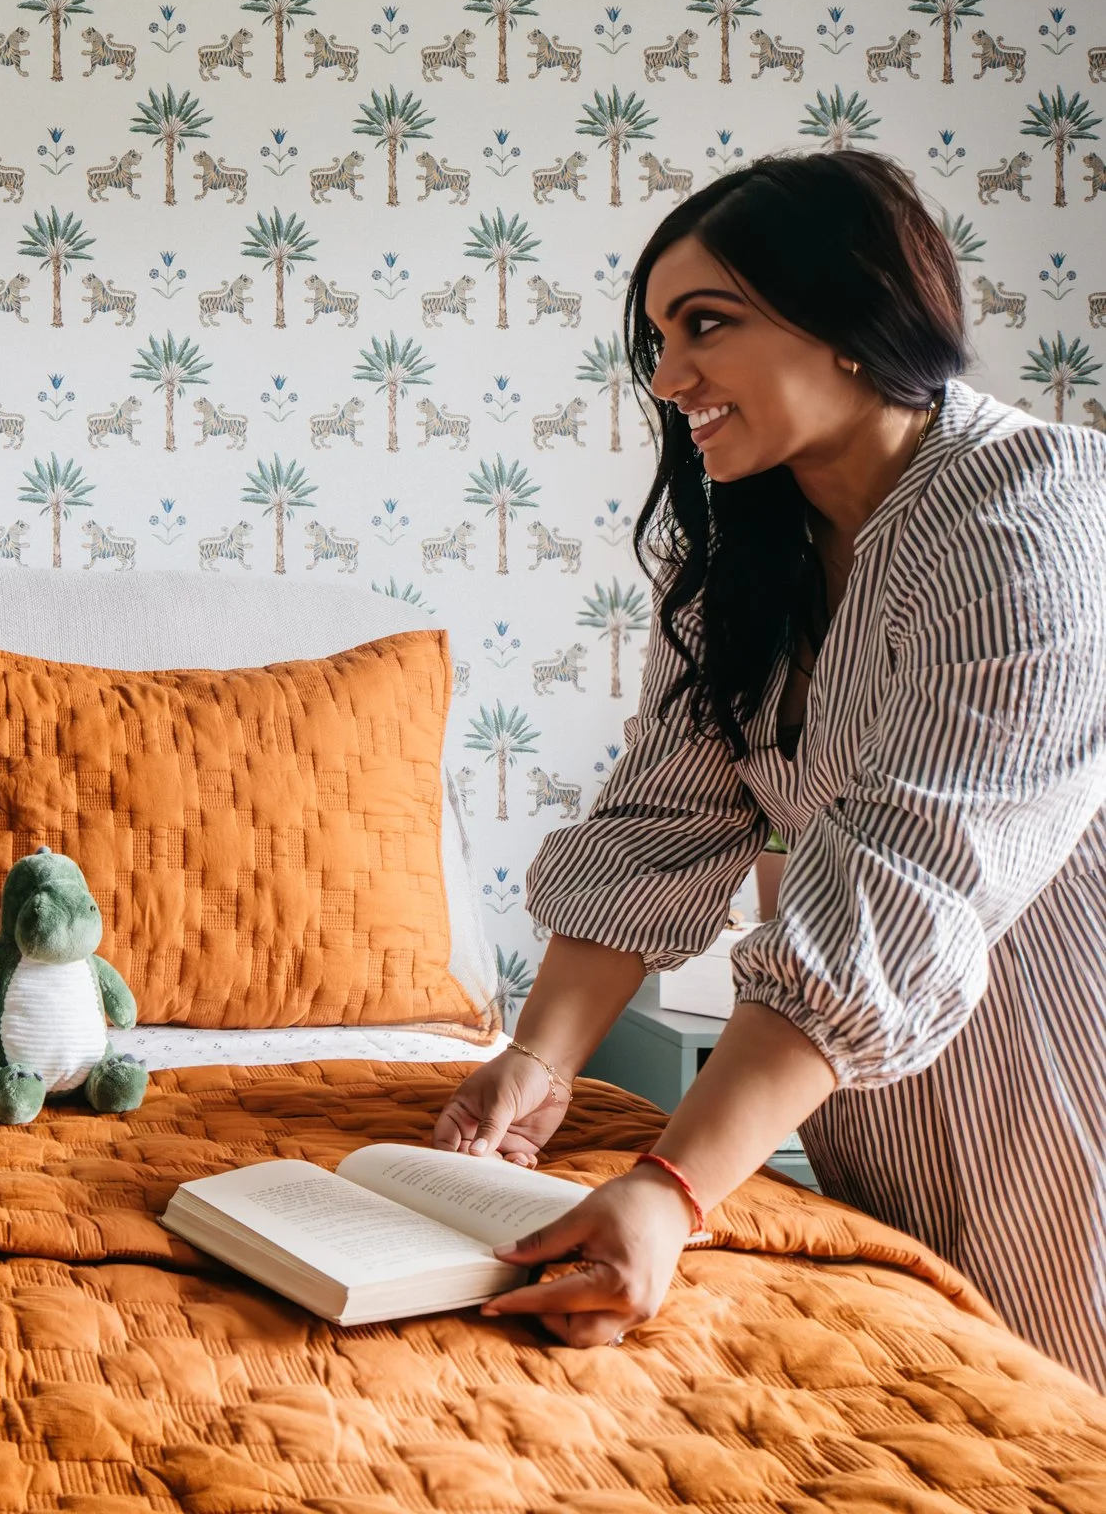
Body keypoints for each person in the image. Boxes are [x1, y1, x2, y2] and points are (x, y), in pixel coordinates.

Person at [430, 149, 1106, 1384]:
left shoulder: (1037, 523)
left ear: (851, 317)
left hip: (1070, 1094)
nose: (666, 375)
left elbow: (905, 875)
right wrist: (538, 1062)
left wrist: (672, 1183)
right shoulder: (746, 553)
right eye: (656, 337)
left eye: (705, 325)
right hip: (869, 1120)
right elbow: (657, 824)